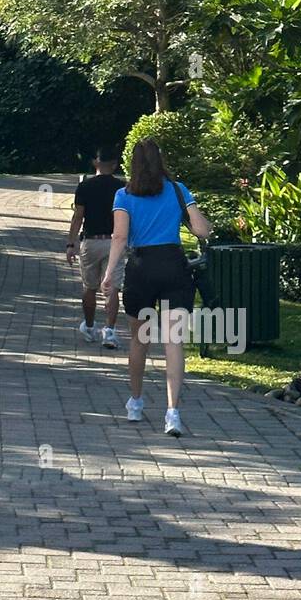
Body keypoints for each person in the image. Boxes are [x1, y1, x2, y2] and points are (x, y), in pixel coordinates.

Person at [102, 137, 212, 436]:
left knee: (139, 341)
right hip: (174, 266)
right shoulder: (178, 190)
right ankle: (173, 413)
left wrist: (110, 273)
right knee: (173, 342)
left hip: (141, 268)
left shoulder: (123, 195)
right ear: (160, 160)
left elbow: (119, 238)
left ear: (132, 164)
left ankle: (135, 403)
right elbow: (202, 229)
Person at [65, 146, 126, 348]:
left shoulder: (85, 187)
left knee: (89, 287)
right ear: (115, 164)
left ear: (95, 163)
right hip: (114, 241)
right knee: (112, 289)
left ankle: (90, 327)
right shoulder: (122, 188)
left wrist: (71, 243)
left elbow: (77, 217)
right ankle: (109, 331)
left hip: (91, 241)